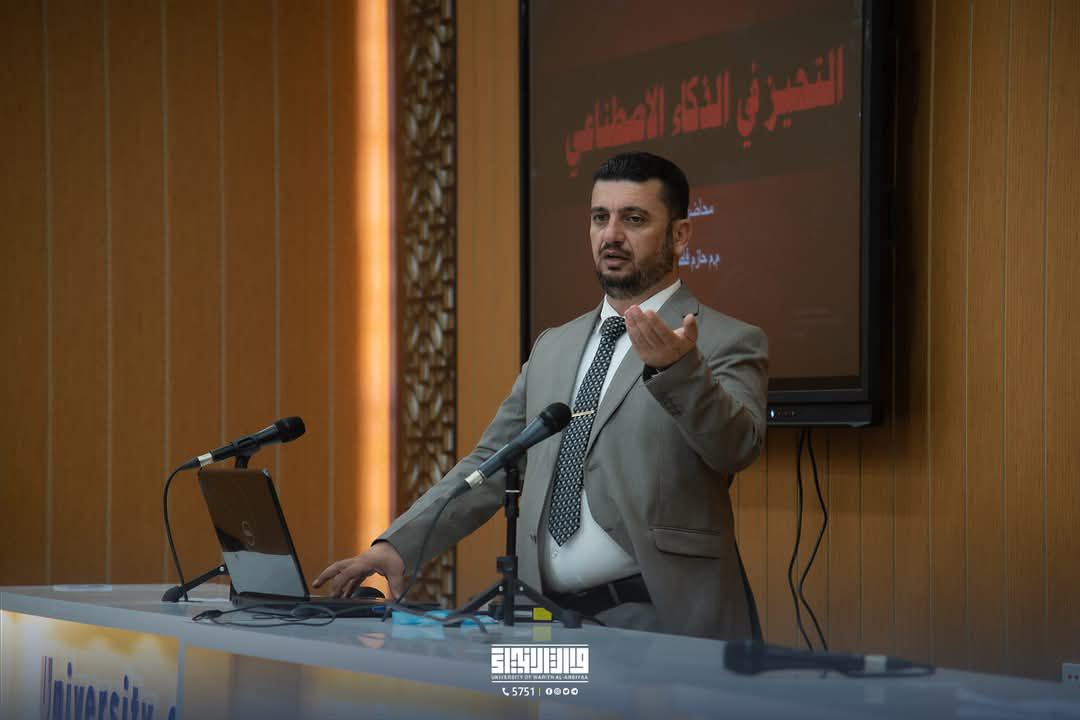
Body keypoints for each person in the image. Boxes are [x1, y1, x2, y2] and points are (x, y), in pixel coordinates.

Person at [314, 152, 768, 640]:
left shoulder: (725, 339)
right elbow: (492, 461)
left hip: (659, 624)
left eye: (634, 219)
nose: (612, 235)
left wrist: (679, 371)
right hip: (542, 622)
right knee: (501, 684)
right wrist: (400, 544)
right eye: (600, 218)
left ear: (680, 235)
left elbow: (737, 447)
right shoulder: (554, 346)